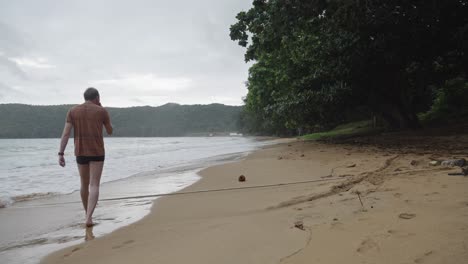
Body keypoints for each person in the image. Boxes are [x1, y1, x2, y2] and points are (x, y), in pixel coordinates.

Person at [58, 87, 113, 227]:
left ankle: (86, 215)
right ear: (97, 98)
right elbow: (110, 131)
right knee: (94, 184)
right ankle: (89, 217)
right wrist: (102, 114)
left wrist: (61, 153)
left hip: (80, 151)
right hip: (97, 152)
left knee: (84, 184)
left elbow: (65, 134)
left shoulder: (72, 111)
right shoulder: (102, 111)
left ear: (85, 97)